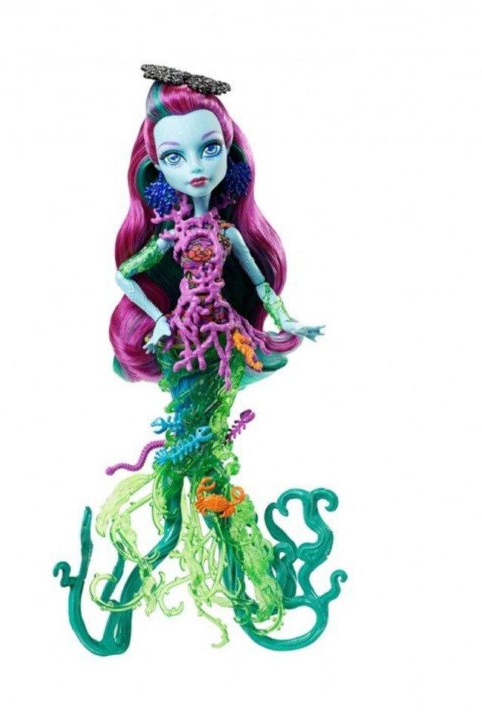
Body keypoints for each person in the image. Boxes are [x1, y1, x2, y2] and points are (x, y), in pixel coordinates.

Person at [54, 65, 345, 654]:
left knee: (202, 460)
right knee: (184, 467)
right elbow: (125, 274)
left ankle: (227, 572)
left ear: (229, 154)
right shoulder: (168, 236)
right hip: (185, 345)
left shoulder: (230, 234)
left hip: (224, 343)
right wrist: (159, 318)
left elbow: (260, 285)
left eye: (209, 149)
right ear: (156, 168)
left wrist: (287, 321)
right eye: (175, 156)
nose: (195, 167)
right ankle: (196, 571)